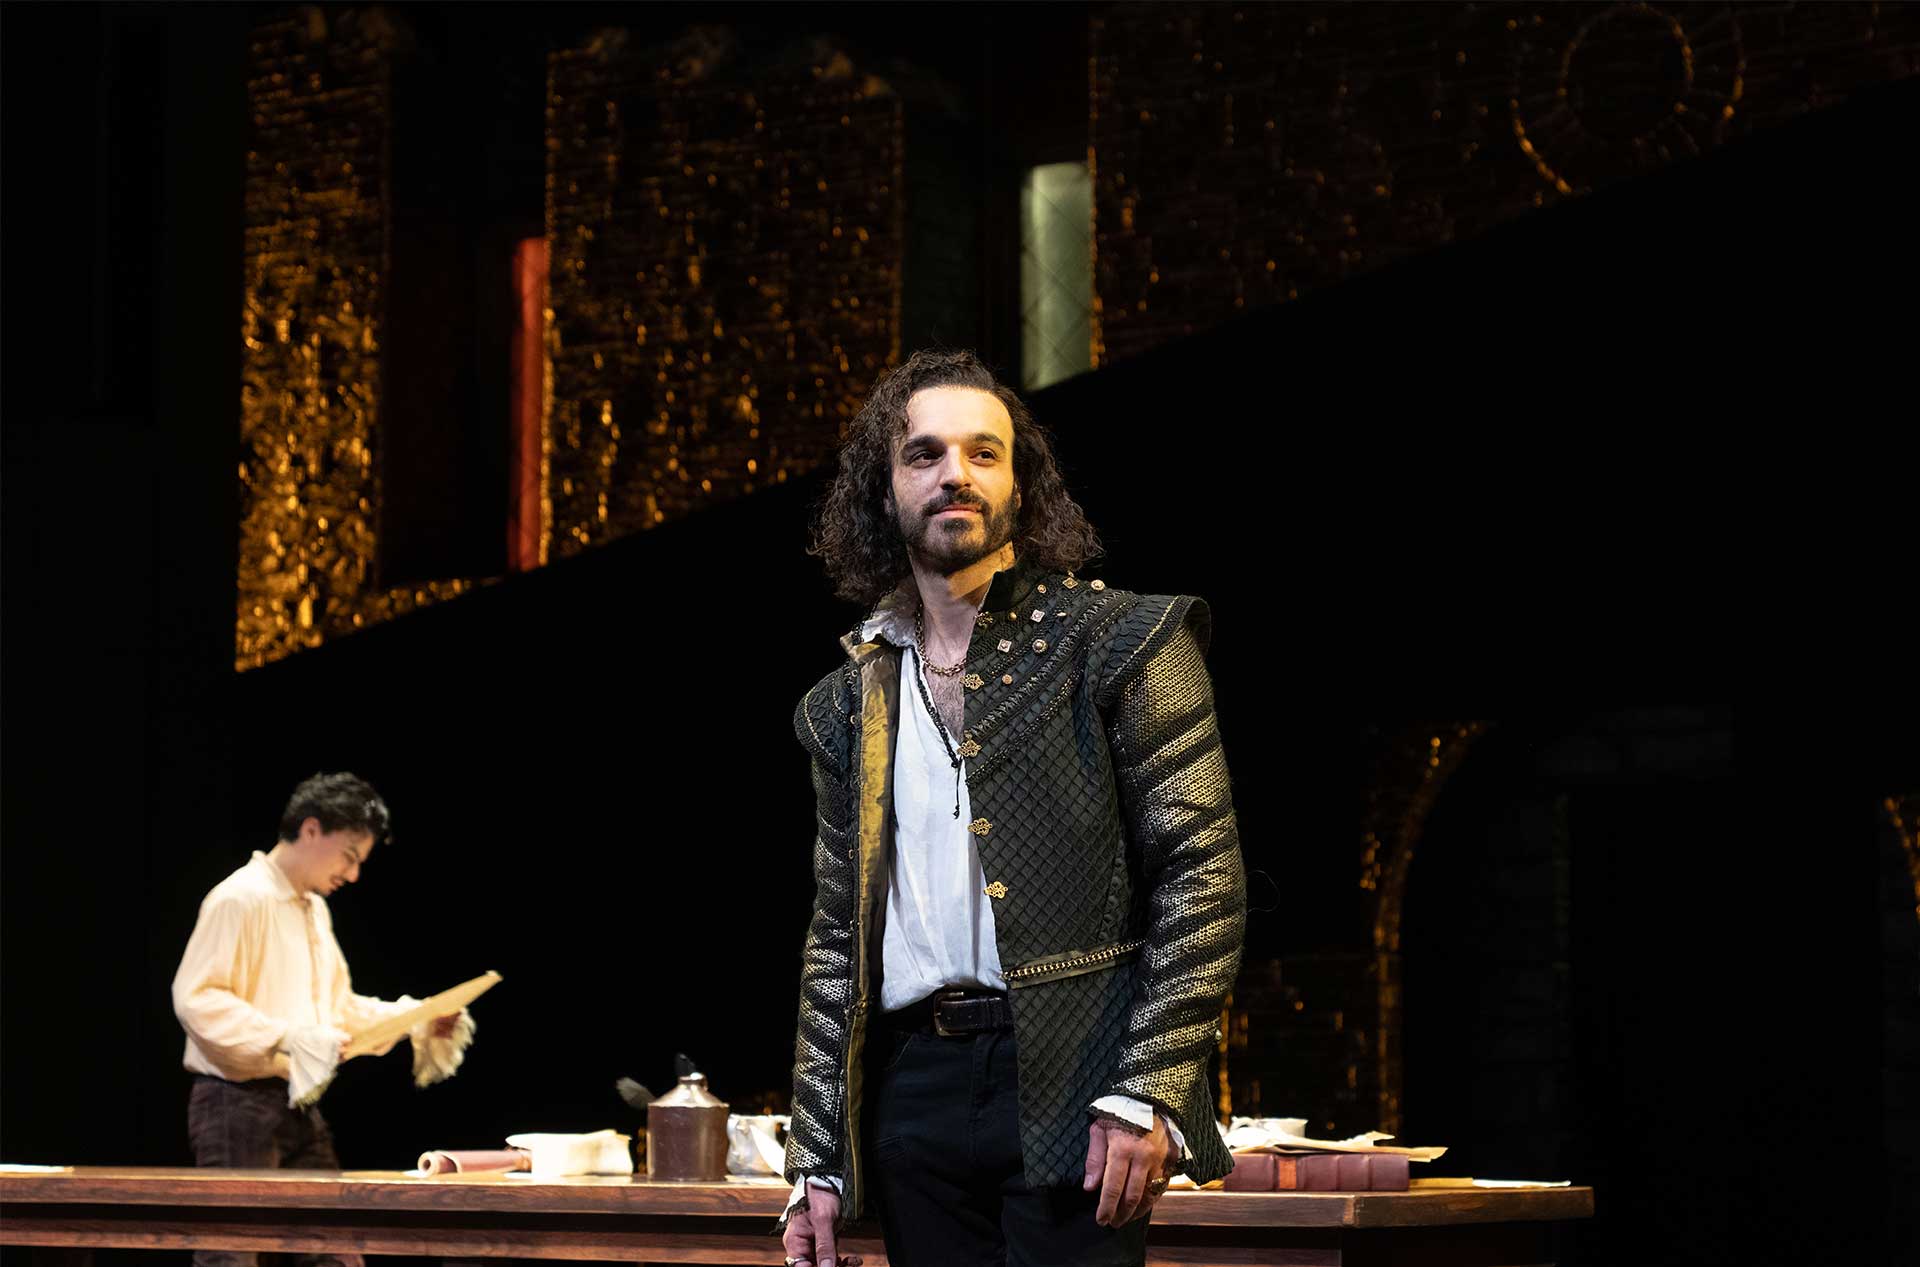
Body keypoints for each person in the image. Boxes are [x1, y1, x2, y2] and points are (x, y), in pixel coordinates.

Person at [780, 350, 1246, 1267]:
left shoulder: (1123, 642)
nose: (955, 472)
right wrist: (818, 1153)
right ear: (884, 492)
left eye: (983, 453)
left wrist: (1147, 1085)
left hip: (1079, 1074)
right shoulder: (845, 703)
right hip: (916, 1087)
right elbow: (838, 937)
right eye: (924, 454)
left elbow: (1203, 874)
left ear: (1022, 489)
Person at [171, 771, 474, 1267]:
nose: (352, 875)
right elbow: (196, 998)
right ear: (311, 830)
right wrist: (289, 1037)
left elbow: (335, 1009)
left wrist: (417, 1017)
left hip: (296, 1100)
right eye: (349, 856)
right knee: (233, 1256)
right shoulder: (240, 897)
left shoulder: (312, 910)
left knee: (335, 1250)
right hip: (235, 1103)